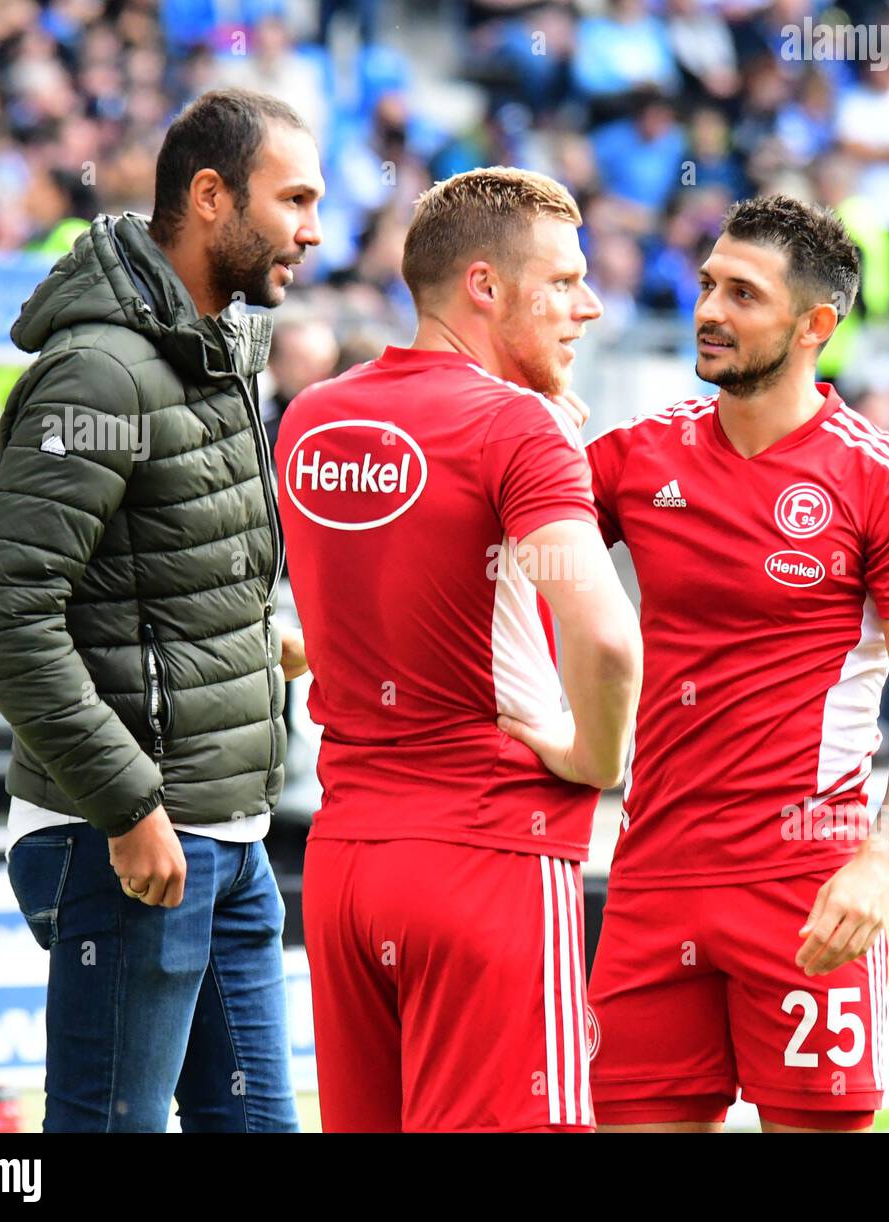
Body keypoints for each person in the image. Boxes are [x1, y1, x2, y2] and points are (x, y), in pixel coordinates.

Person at [538, 195, 889, 1132]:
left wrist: (880, 861)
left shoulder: (878, 479)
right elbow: (504, 548)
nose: (709, 310)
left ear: (815, 326)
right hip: (650, 876)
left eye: (742, 293)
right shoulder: (638, 459)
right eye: (706, 285)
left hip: (805, 886)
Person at [0, 89, 325, 1132]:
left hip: (228, 837)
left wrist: (260, 650)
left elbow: (154, 588)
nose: (313, 229)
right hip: (128, 841)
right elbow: (4, 614)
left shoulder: (210, 353)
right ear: (210, 198)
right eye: (293, 198)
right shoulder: (104, 372)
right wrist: (127, 808)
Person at [277, 167, 642, 1132]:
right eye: (562, 282)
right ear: (486, 287)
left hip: (345, 866)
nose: (589, 306)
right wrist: (593, 759)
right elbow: (607, 637)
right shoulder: (516, 428)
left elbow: (376, 609)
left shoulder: (313, 419)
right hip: (488, 855)